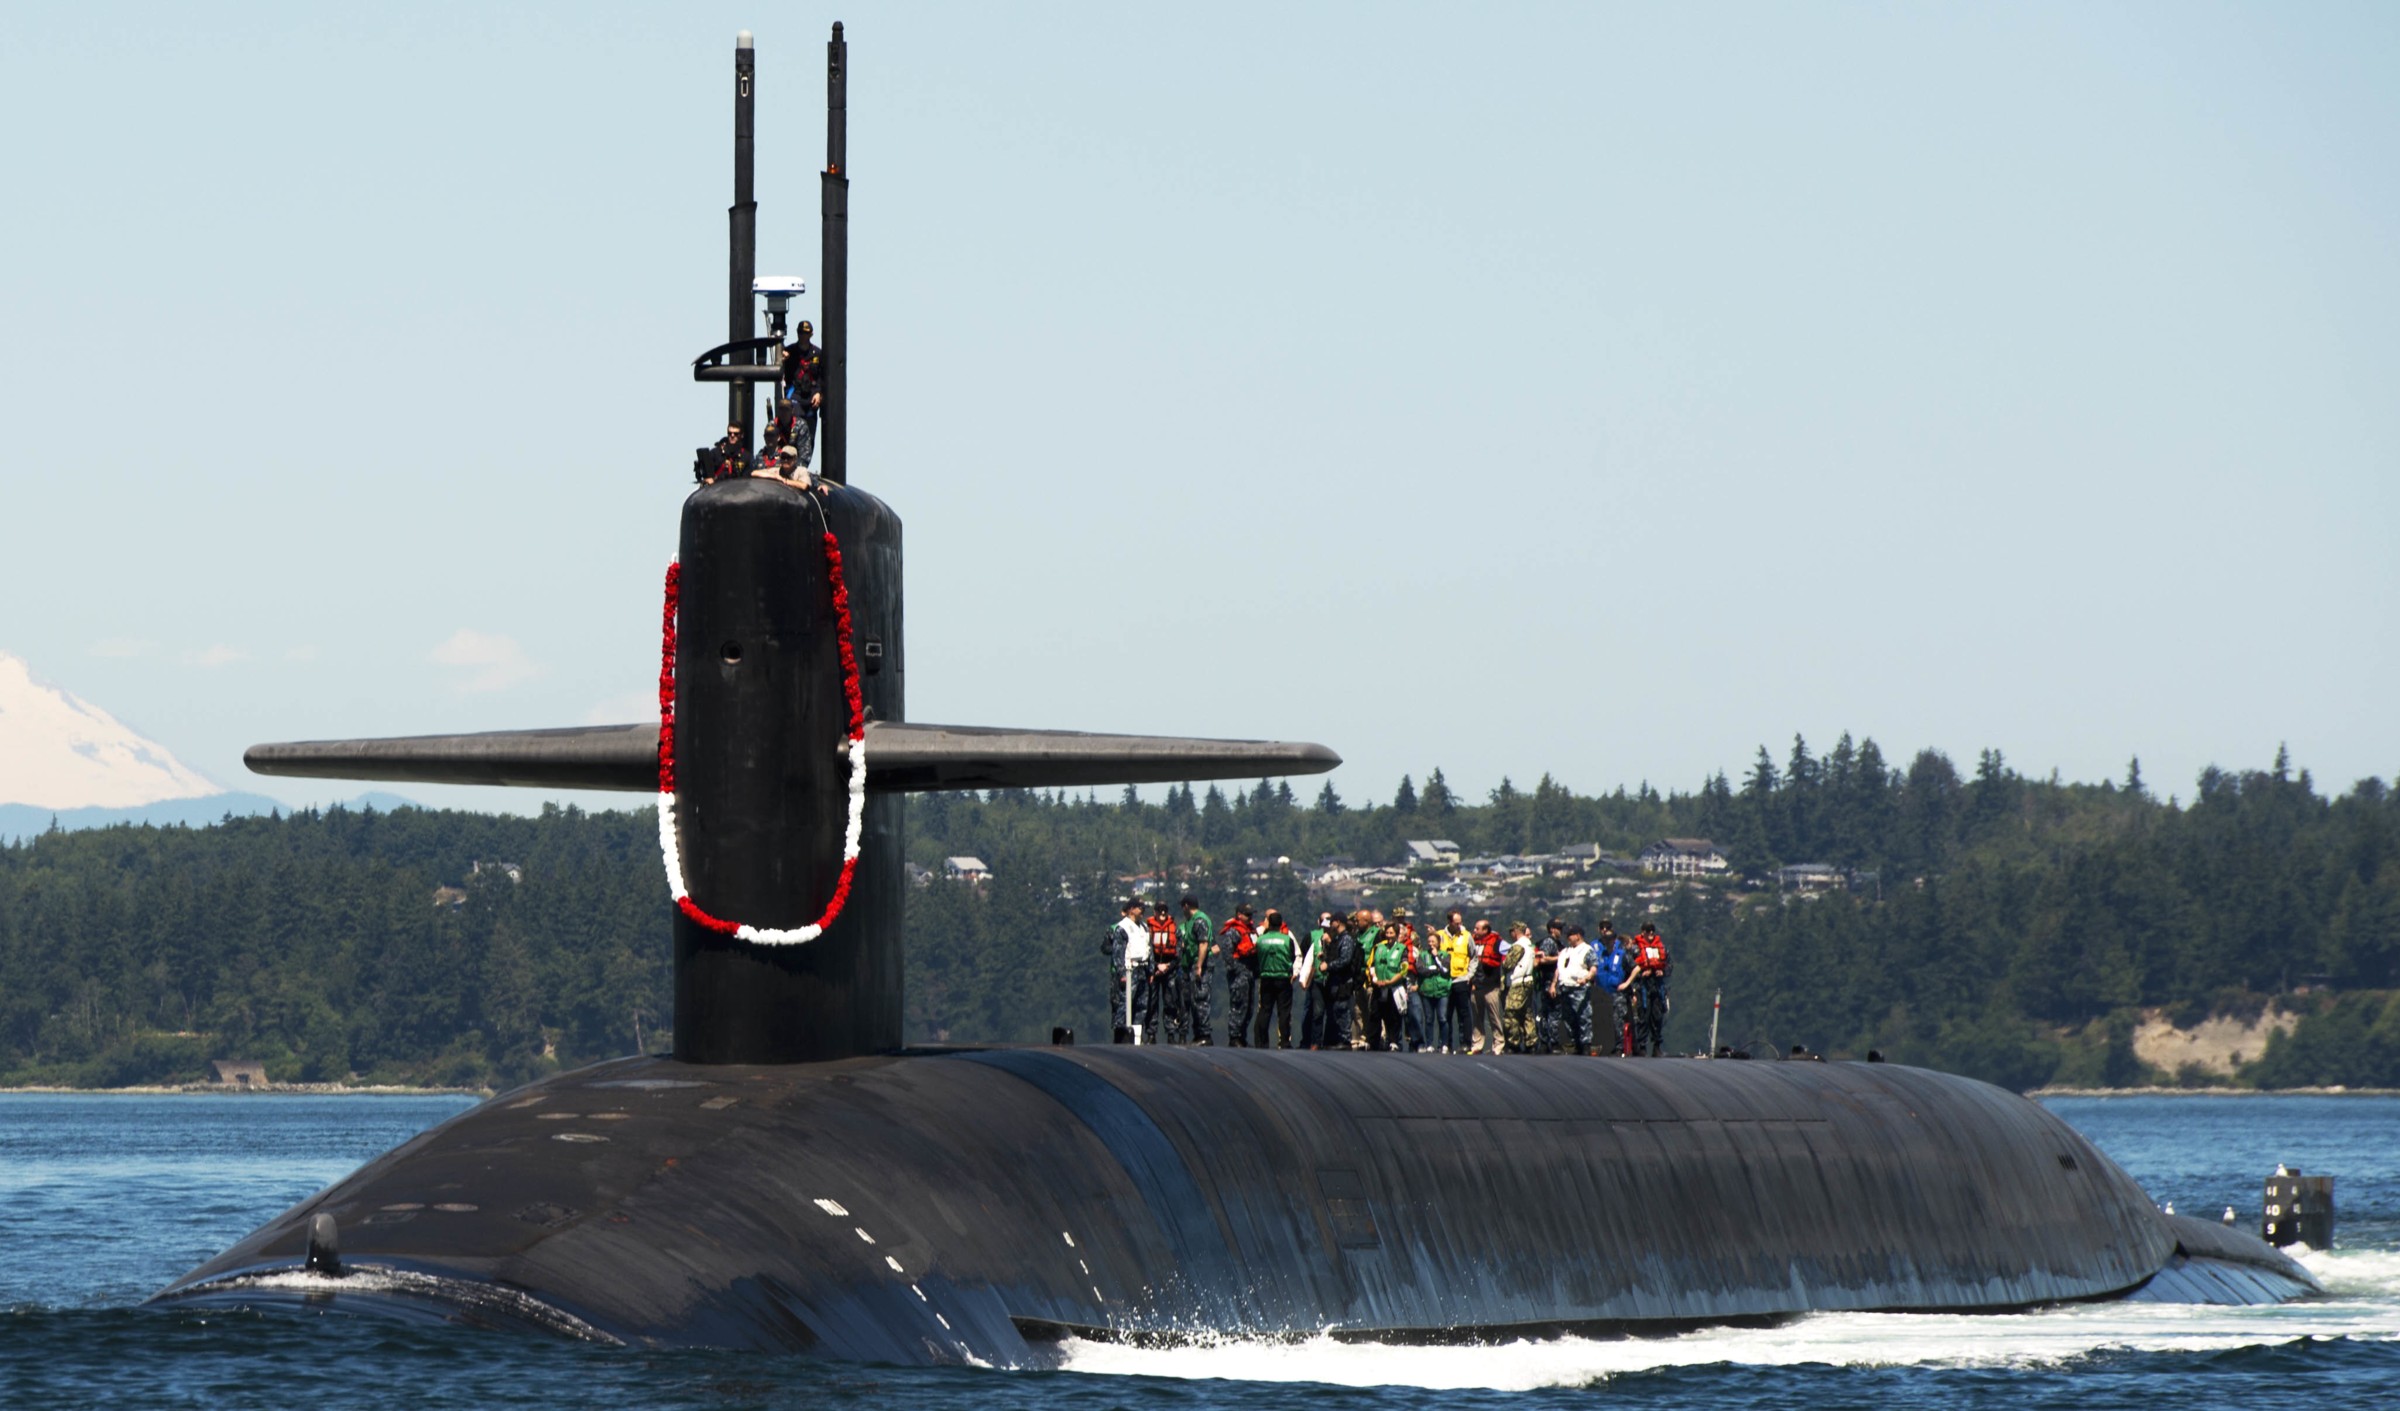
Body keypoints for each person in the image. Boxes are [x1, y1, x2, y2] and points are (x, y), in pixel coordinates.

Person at [779, 320, 824, 468]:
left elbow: (822, 377)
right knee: (796, 428)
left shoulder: (817, 353)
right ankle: (791, 462)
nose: (803, 336)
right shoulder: (789, 351)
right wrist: (782, 360)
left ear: (811, 334)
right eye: (800, 333)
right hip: (796, 395)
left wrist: (819, 393)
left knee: (809, 435)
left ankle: (804, 465)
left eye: (805, 333)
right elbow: (781, 373)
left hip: (811, 396)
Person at [1252, 910, 1299, 1049]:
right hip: (1283, 978)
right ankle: (1284, 1041)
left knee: (1265, 1010)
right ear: (1280, 924)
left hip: (1266, 977)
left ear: (1268, 923)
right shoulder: (1287, 939)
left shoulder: (1260, 940)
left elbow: (1256, 957)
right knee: (1283, 1011)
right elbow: (1292, 956)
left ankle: (1262, 1042)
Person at [1364, 916, 1412, 1051]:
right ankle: (1372, 1041)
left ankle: (1393, 1041)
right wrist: (1375, 979)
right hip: (1379, 985)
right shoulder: (1378, 947)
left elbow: (1404, 969)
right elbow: (1372, 965)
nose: (1389, 936)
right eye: (1387, 933)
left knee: (1393, 1016)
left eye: (1392, 933)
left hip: (1394, 987)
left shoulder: (1402, 949)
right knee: (1375, 1014)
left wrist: (1391, 981)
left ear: (1396, 934)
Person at [1627, 921, 1673, 1057]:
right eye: (1648, 931)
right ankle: (1641, 1046)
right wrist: (1641, 973)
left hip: (1657, 986)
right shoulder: (1635, 949)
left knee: (1657, 1016)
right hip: (1642, 986)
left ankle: (1657, 1045)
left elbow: (1669, 965)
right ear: (1643, 932)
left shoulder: (1662, 948)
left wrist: (1662, 972)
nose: (1651, 934)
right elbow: (1630, 966)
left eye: (1652, 930)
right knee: (1643, 1016)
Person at [1107, 899, 1150, 1043]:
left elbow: (1148, 948)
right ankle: (1120, 1038)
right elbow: (1117, 953)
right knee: (1124, 1005)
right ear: (1131, 909)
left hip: (1142, 968)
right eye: (1140, 908)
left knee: (1141, 1006)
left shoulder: (1144, 927)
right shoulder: (1122, 927)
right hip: (1129, 969)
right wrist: (1121, 973)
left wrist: (1150, 970)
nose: (1142, 910)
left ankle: (1137, 1038)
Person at [1550, 925, 1596, 1055]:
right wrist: (1553, 984)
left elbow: (1593, 967)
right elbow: (1559, 969)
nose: (1567, 938)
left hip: (1579, 988)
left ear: (1578, 936)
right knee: (1568, 1018)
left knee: (1583, 1017)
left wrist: (1586, 978)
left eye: (1570, 935)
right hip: (1565, 987)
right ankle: (1575, 1042)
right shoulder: (1565, 952)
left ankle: (1586, 1043)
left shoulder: (1587, 950)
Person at [1435, 910, 1476, 1054]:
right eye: (1456, 923)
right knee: (1446, 1014)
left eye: (1460, 922)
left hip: (1461, 979)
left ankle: (1466, 1043)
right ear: (1450, 922)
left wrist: (1470, 975)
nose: (1459, 925)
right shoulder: (1440, 935)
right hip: (1445, 980)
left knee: (1464, 1013)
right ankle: (1446, 1043)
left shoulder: (1466, 936)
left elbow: (1474, 956)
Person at [1592, 920, 1634, 1056]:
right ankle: (1604, 1045)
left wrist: (1627, 984)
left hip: (1617, 993)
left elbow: (1636, 968)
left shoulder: (1621, 954)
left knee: (1617, 1020)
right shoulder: (1601, 953)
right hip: (1602, 992)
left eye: (1610, 940)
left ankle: (1619, 1046)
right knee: (1603, 1020)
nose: (1607, 942)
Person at [1220, 904, 1259, 1047]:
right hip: (1239, 973)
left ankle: (1242, 1035)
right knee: (1238, 1004)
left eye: (1251, 915)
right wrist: (1236, 969)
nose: (1250, 918)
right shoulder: (1234, 932)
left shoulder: (1251, 932)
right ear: (1239, 915)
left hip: (1249, 973)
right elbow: (1227, 952)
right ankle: (1234, 1036)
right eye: (1247, 915)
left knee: (1248, 1007)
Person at [1146, 903, 1184, 1043]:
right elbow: (1147, 950)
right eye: (1160, 910)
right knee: (1152, 1002)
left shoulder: (1175, 929)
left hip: (1170, 970)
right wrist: (1156, 966)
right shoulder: (1148, 929)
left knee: (1170, 1002)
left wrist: (1169, 966)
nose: (1162, 913)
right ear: (1154, 912)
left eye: (1165, 911)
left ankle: (1171, 1033)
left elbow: (1179, 951)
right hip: (1154, 970)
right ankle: (1151, 1034)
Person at [1180, 895, 1216, 1045]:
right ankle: (1198, 1033)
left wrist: (1199, 965)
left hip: (1200, 964)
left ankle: (1204, 1035)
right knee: (1195, 1000)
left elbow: (1203, 944)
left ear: (1186, 906)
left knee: (1201, 999)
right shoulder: (1190, 922)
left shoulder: (1199, 920)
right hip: (1191, 964)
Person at [1468, 918, 1508, 1054]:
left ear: (1485, 930)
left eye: (1477, 929)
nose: (1474, 931)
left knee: (1494, 1017)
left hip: (1491, 985)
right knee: (1477, 1017)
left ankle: (1498, 1045)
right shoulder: (1472, 941)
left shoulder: (1497, 942)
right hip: (1476, 985)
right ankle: (1477, 1045)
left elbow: (1511, 951)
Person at [1500, 922, 1540, 1053]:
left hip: (1518, 982)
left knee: (1510, 1012)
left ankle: (1513, 1043)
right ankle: (1531, 1042)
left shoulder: (1518, 946)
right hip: (1528, 980)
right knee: (1527, 1013)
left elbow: (1507, 965)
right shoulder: (1529, 944)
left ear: (1516, 931)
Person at [1534, 918, 1566, 1052]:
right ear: (1552, 929)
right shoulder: (1549, 942)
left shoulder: (1558, 943)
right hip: (1549, 981)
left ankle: (1548, 1041)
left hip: (1554, 981)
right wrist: (1560, 957)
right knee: (1551, 1013)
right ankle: (1551, 1042)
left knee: (1551, 1013)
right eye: (1558, 928)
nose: (1561, 931)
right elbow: (1542, 959)